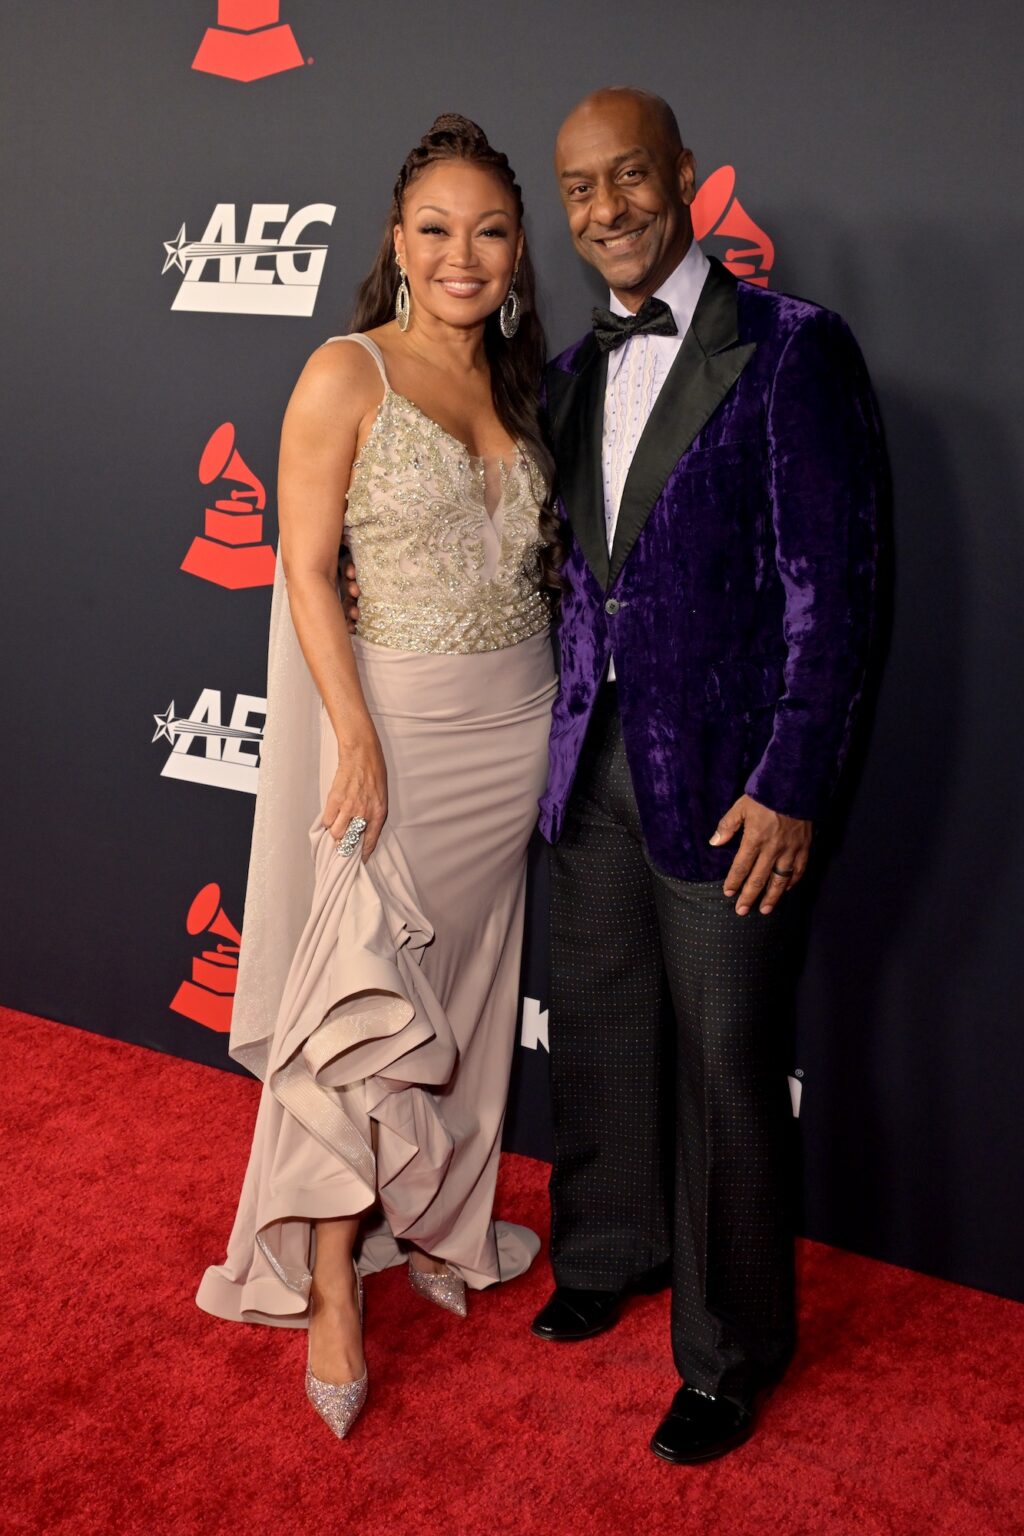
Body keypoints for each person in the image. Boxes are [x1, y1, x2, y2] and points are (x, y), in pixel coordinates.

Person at [529, 88, 888, 1463]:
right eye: (579, 190)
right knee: (605, 1023)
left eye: (629, 177)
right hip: (593, 763)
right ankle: (611, 1251)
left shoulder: (795, 349)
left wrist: (797, 778)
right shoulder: (567, 372)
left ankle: (732, 1350)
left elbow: (836, 589)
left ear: (682, 176)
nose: (606, 209)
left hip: (736, 779)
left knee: (732, 1064)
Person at [196, 114, 560, 1442]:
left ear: (518, 255)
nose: (462, 255)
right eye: (436, 230)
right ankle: (336, 1277)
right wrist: (352, 733)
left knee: (460, 992)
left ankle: (441, 1216)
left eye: (489, 231)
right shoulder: (345, 372)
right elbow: (301, 567)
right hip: (395, 732)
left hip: (513, 728)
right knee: (365, 1010)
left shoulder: (525, 390)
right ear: (396, 247)